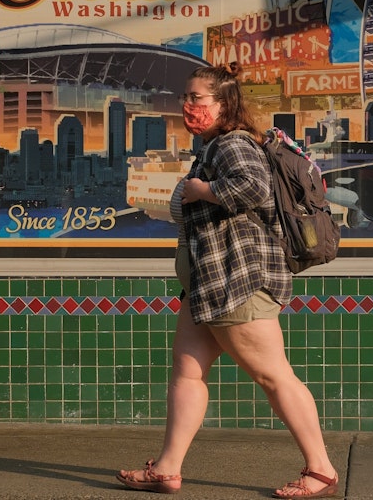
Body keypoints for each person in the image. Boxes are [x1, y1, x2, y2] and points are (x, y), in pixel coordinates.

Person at [116, 64, 338, 498]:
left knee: (275, 377)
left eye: (197, 98)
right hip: (208, 285)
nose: (188, 105)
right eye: (186, 96)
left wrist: (199, 191)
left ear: (224, 103)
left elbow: (253, 189)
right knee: (187, 373)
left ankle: (321, 469)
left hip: (237, 284)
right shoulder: (214, 146)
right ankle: (167, 468)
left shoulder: (233, 144)